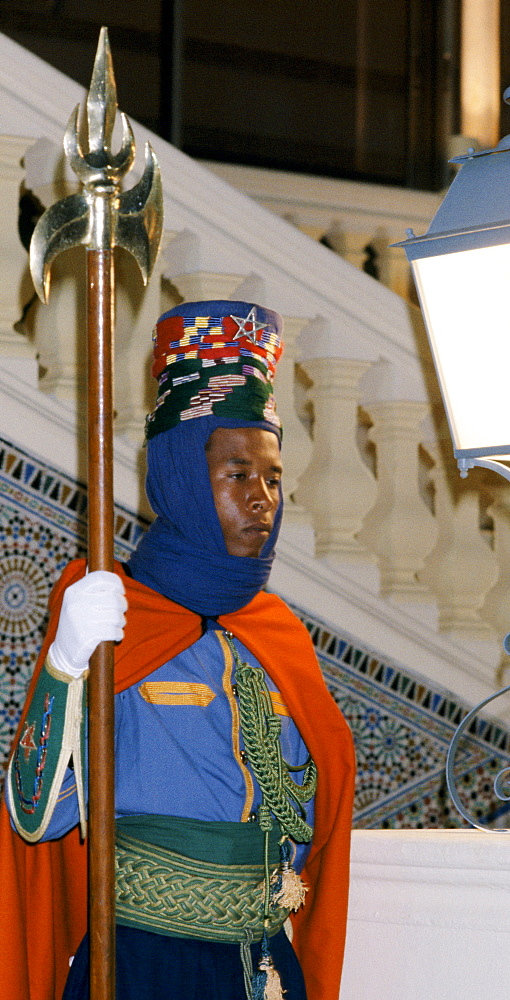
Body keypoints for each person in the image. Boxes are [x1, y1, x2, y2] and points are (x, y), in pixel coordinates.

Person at [0, 300, 356, 1000]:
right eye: (236, 475)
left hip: (265, 967)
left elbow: (319, 816)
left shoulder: (278, 628)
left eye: (273, 476)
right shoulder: (113, 613)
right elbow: (32, 813)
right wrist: (66, 665)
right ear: (183, 481)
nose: (262, 500)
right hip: (146, 969)